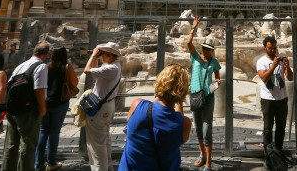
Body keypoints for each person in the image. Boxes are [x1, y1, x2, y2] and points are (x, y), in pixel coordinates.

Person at [119, 64, 192, 170]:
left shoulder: (137, 105)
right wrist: (179, 100)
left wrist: (159, 93)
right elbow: (178, 123)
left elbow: (146, 110)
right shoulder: (184, 124)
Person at [2, 42, 50, 171]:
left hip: (13, 109)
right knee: (28, 144)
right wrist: (43, 107)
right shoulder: (41, 66)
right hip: (28, 110)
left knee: (11, 144)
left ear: (34, 52)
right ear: (46, 54)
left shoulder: (20, 66)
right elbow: (39, 89)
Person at [35, 47, 79, 170]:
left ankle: (38, 163)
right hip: (60, 102)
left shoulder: (46, 66)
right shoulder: (67, 67)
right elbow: (75, 83)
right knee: (54, 132)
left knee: (43, 131)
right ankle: (51, 163)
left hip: (46, 102)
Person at [186, 16, 221, 171]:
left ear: (211, 51)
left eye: (209, 49)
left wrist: (214, 86)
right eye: (205, 48)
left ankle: (209, 161)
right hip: (194, 95)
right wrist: (194, 27)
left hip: (208, 97)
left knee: (207, 128)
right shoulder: (195, 58)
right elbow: (188, 43)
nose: (206, 51)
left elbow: (218, 79)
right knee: (198, 127)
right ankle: (202, 154)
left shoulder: (214, 62)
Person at [83, 42, 122, 171]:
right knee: (104, 140)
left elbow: (87, 71)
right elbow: (94, 72)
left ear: (110, 55)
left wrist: (94, 56)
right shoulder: (115, 65)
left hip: (100, 110)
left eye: (104, 53)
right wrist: (96, 58)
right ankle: (108, 167)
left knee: (96, 145)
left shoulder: (110, 68)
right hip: (106, 107)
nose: (102, 56)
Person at [257, 36, 293, 162]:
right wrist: (273, 66)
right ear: (265, 48)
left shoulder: (281, 60)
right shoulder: (261, 61)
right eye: (270, 48)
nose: (272, 50)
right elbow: (264, 78)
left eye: (274, 48)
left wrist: (287, 66)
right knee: (268, 128)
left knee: (281, 127)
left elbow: (290, 78)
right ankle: (268, 154)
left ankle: (278, 152)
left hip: (282, 99)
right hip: (267, 99)